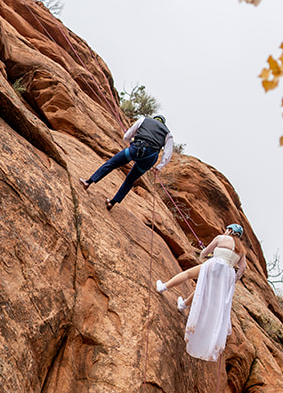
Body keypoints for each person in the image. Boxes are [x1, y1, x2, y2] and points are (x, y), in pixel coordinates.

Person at [156, 223, 247, 361]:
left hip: (214, 265)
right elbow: (242, 268)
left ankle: (164, 287)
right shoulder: (241, 250)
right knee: (203, 290)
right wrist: (233, 279)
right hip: (226, 275)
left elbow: (204, 253)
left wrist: (205, 255)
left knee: (187, 274)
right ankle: (183, 305)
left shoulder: (221, 238)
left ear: (229, 230)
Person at [79, 115, 174, 209]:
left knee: (111, 164)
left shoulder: (144, 120)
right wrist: (159, 166)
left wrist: (130, 142)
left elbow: (128, 135)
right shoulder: (168, 134)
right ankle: (112, 203)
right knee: (130, 180)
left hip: (136, 149)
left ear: (154, 119)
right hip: (149, 158)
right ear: (163, 124)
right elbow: (167, 153)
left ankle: (88, 182)